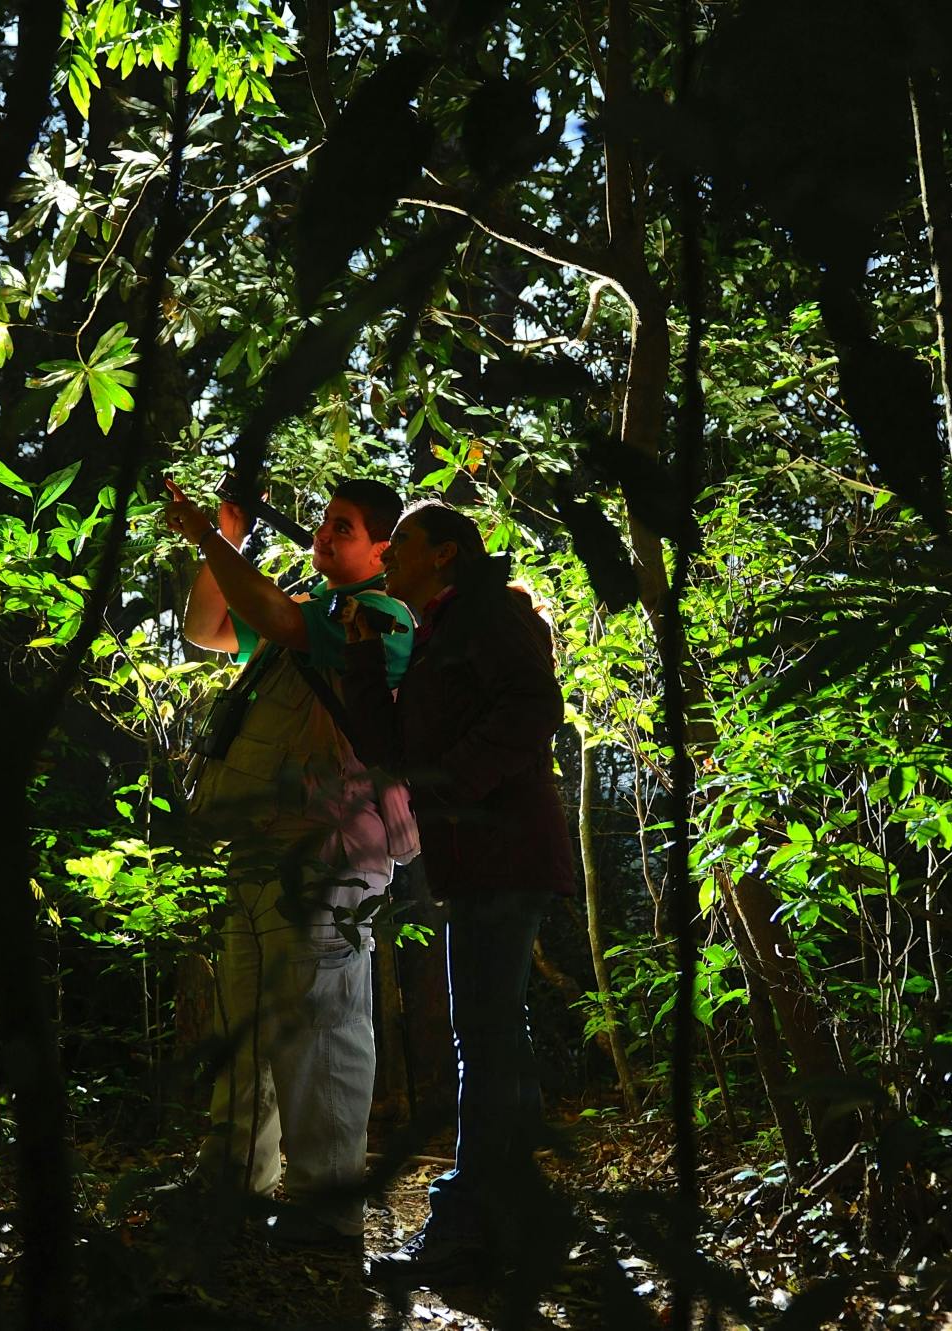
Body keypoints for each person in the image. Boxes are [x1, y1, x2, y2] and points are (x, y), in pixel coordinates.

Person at [160, 475, 416, 1250]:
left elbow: (270, 615)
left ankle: (325, 1209)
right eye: (325, 521)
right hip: (262, 847)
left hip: (328, 854)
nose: (326, 534)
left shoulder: (381, 618)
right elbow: (206, 626)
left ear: (383, 548)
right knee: (248, 1030)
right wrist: (225, 543)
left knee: (322, 1031)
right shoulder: (309, 612)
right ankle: (236, 1183)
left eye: (346, 526)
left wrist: (208, 536)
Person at [336, 501, 579, 1285]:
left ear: (444, 555)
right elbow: (398, 754)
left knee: (483, 1034)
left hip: (507, 852)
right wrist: (367, 668)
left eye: (399, 542)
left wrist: (458, 786)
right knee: (494, 1033)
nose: (388, 554)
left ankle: (468, 1226)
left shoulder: (488, 611)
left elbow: (535, 708)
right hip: (476, 860)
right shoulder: (435, 627)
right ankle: (519, 1219)